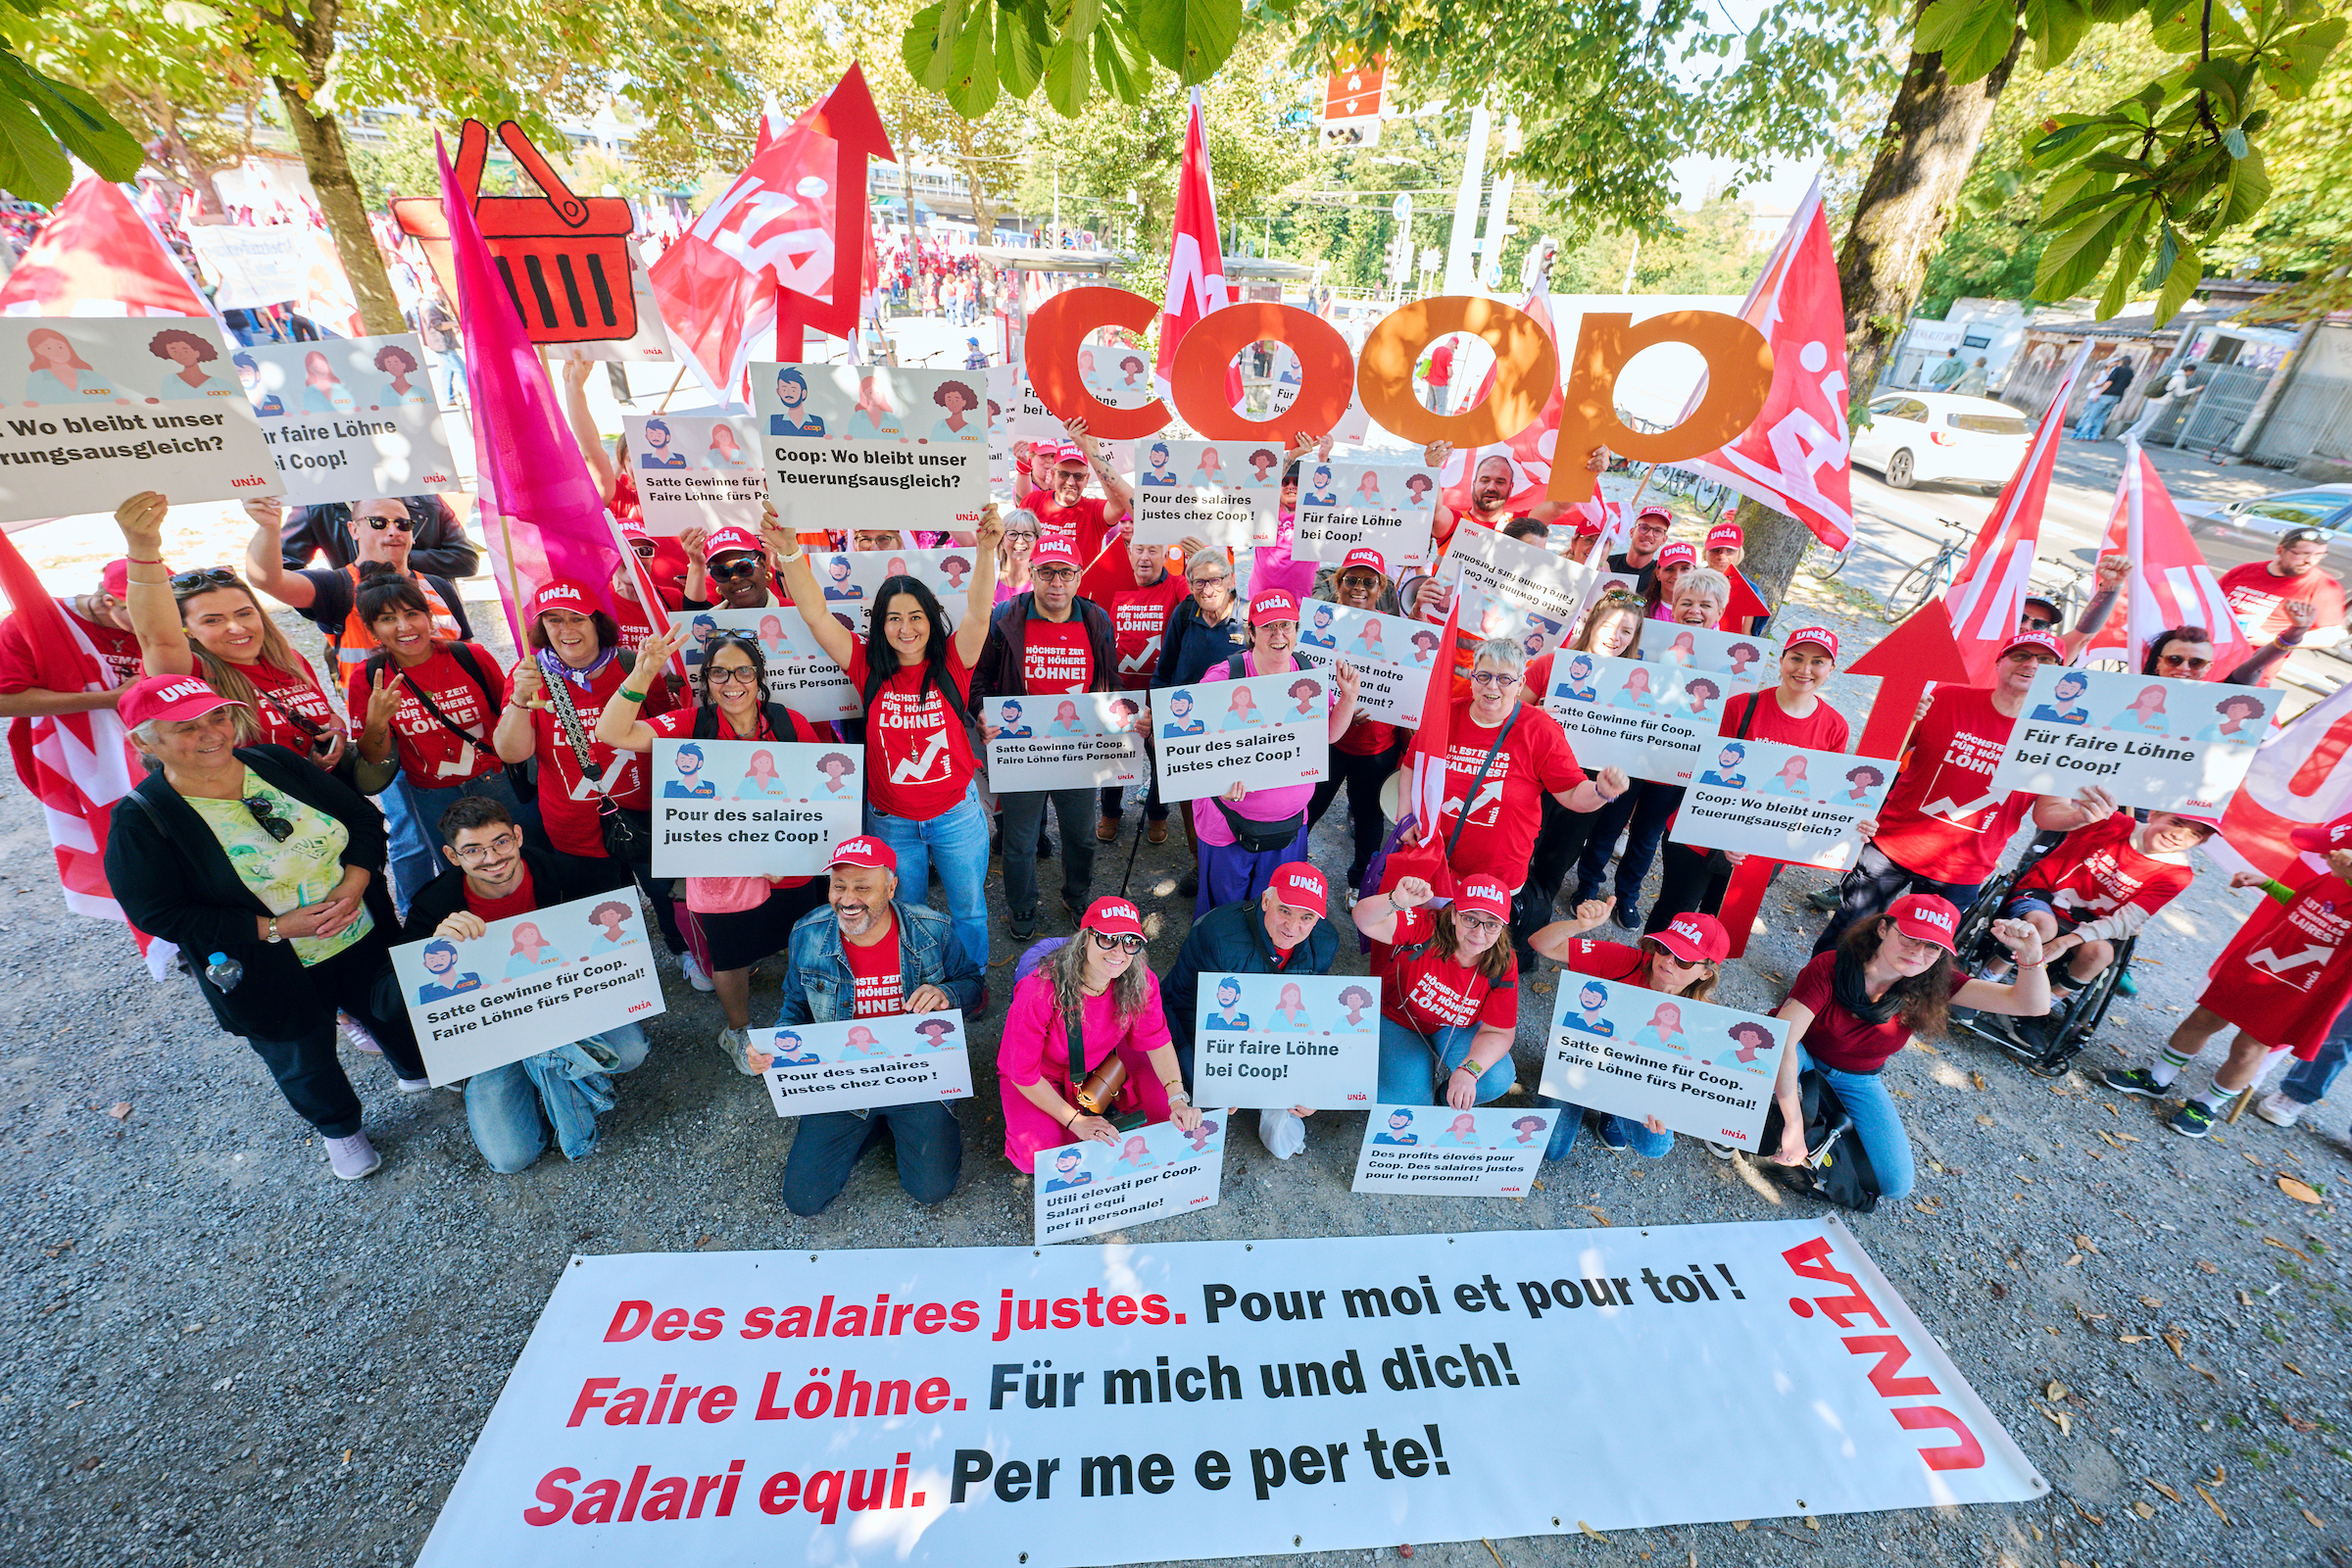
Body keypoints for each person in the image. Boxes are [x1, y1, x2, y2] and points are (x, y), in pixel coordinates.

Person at [103, 674, 425, 1181]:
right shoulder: (142, 820)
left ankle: (416, 1069)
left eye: (218, 716)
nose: (213, 733)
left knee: (390, 1005)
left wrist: (357, 881)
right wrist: (273, 928)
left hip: (359, 929)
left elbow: (361, 819)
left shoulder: (274, 763)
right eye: (186, 727)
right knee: (300, 1051)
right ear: (144, 741)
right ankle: (340, 1129)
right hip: (267, 963)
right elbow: (158, 913)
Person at [773, 507, 1002, 982]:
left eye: (916, 616)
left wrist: (985, 549)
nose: (906, 628)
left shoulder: (953, 663)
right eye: (893, 618)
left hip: (955, 816)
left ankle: (971, 982)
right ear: (880, 625)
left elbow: (980, 611)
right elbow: (815, 614)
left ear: (931, 620)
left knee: (970, 911)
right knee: (907, 915)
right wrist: (791, 551)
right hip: (893, 823)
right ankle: (918, 985)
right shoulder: (867, 668)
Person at [597, 623, 835, 1069]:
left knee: (803, 936)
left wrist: (794, 853)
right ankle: (738, 1031)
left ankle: (811, 1009)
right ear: (705, 681)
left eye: (743, 672)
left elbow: (819, 789)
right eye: (719, 674)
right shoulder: (692, 723)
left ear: (759, 676)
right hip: (720, 870)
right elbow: (613, 733)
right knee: (729, 954)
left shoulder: (787, 722)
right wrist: (642, 672)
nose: (732, 684)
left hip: (787, 862)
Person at [1812, 631, 2118, 956]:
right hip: (1893, 844)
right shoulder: (1947, 699)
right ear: (1999, 663)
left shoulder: (2055, 738)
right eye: (2020, 656)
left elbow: (2046, 812)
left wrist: (2080, 816)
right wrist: (1900, 720)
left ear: (2058, 676)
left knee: (1920, 953)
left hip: (1963, 869)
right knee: (1849, 930)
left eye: (2044, 661)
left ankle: (1868, 1002)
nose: (2031, 664)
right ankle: (1810, 994)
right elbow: (1882, 761)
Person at [403, 797, 650, 1173]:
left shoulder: (565, 872)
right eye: (473, 850)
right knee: (510, 1158)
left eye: (500, 842)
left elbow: (618, 945)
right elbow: (389, 998)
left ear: (517, 836)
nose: (491, 858)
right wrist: (432, 951)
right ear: (453, 857)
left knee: (630, 1051)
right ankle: (548, 1071)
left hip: (567, 1005)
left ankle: (552, 1068)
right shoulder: (434, 906)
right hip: (495, 1036)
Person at [1767, 895, 2054, 1200]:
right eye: (1910, 937)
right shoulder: (1830, 966)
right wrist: (1794, 1125)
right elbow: (1784, 1040)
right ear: (1883, 928)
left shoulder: (1932, 983)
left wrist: (2032, 955)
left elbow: (2029, 1005)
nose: (1918, 952)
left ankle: (1806, 1124)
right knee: (1762, 1052)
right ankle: (1781, 1118)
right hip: (1799, 1054)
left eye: (1932, 946)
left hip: (1855, 1077)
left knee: (1895, 1184)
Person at [486, 579, 694, 986]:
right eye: (553, 620)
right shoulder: (528, 674)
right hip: (572, 821)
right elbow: (512, 752)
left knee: (664, 891)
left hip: (644, 812)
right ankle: (620, 970)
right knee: (602, 905)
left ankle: (681, 948)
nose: (566, 630)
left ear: (597, 622)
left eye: (577, 618)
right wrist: (517, 701)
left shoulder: (631, 664)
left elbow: (669, 735)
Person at [765, 836, 983, 1214]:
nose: (848, 900)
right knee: (803, 1201)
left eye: (863, 887)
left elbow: (974, 985)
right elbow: (795, 1004)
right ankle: (877, 1124)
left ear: (891, 886)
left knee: (931, 1189)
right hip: (842, 1076)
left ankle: (887, 1124)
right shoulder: (807, 933)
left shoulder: (933, 929)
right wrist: (776, 1045)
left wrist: (947, 993)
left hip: (917, 1076)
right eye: (839, 886)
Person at [2106, 826, 2352, 1138]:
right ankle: (2158, 1076)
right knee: (2203, 1018)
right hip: (2260, 961)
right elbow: (2300, 904)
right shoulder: (2330, 877)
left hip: (2298, 987)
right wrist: (2268, 884)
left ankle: (2207, 1105)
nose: (2321, 855)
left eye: (2329, 851)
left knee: (2249, 1048)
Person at [1645, 626, 1853, 934]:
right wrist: (1727, 833)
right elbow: (1707, 775)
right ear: (1782, 660)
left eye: (1818, 662)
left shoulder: (1835, 728)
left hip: (1761, 851)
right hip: (1700, 837)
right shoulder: (1742, 707)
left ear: (1831, 669)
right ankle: (1646, 974)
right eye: (1796, 658)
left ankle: (1695, 981)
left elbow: (1818, 796)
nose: (1805, 669)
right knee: (1674, 915)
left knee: (1718, 926)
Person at [974, 537, 1121, 940]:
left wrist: (1128, 717)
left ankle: (1077, 896)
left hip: (1076, 750)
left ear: (1079, 577)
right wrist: (981, 712)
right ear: (1032, 573)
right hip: (1022, 750)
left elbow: (1110, 682)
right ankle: (1022, 906)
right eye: (1047, 572)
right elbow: (978, 678)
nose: (1056, 582)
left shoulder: (1096, 620)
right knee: (1020, 842)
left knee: (1080, 836)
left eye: (1066, 573)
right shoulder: (1005, 619)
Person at [996, 896, 1203, 1174]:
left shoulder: (1139, 978)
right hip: (1040, 1073)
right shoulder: (1039, 991)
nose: (1119, 952)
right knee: (1039, 1157)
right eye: (1107, 939)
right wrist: (1075, 1122)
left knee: (1167, 1120)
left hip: (1105, 1057)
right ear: (1084, 939)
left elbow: (1155, 1037)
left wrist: (1177, 1097)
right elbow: (1022, 1071)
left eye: (1130, 942)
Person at [348, 571, 515, 908]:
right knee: (465, 875)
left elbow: (509, 717)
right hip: (433, 795)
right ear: (371, 630)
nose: (404, 627)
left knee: (520, 860)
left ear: (428, 616)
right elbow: (372, 756)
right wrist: (377, 720)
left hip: (497, 782)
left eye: (412, 614)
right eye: (387, 619)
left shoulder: (471, 657)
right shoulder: (367, 679)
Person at [1188, 590, 1361, 914]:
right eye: (1268, 627)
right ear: (1251, 632)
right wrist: (1218, 780)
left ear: (1297, 630)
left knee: (1275, 909)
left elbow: (1327, 736)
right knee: (1225, 914)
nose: (1279, 635)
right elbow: (1192, 751)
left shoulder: (1305, 671)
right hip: (1228, 826)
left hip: (1288, 826)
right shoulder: (1224, 677)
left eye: (1287, 625)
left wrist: (1348, 698)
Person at [1429, 636, 1626, 917]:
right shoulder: (1447, 715)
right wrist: (1407, 819)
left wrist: (1601, 791)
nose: (1492, 686)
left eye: (1504, 679)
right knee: (1430, 939)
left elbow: (1571, 793)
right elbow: (1413, 766)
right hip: (1437, 859)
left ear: (1521, 684)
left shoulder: (1540, 730)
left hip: (1498, 873)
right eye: (1483, 676)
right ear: (1472, 678)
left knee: (1479, 944)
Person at [1988, 809, 2212, 1052]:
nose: (2178, 835)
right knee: (2042, 927)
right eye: (2176, 823)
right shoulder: (2112, 823)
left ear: (2200, 842)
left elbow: (2125, 922)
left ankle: (2038, 1008)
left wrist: (2068, 941)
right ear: (2154, 815)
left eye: (2194, 835)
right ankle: (1987, 981)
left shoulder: (2177, 874)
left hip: (2089, 923)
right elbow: (2064, 809)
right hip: (2044, 894)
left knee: (2102, 955)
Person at [1160, 861, 1340, 1158]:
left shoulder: (1325, 941)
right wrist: (1230, 1078)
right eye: (1285, 911)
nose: (1293, 927)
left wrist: (1310, 1079)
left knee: (1305, 1091)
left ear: (1318, 920)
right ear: (1266, 900)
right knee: (1202, 1096)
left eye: (1306, 917)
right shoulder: (1219, 935)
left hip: (1265, 1026)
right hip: (1191, 1017)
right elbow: (1190, 1007)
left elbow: (1313, 1009)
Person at [1528, 906, 1728, 1160]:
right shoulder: (1627, 960)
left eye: (1684, 960)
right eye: (1664, 948)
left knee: (1656, 1145)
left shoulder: (1705, 1017)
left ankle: (1612, 1114)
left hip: (1632, 1083)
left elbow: (1695, 1083)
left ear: (1706, 973)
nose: (1667, 960)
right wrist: (1579, 925)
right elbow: (1540, 944)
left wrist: (1669, 1109)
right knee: (1551, 1151)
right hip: (1583, 1064)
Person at [1513, 591, 1647, 962]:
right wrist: (1534, 714)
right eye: (1608, 626)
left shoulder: (1638, 683)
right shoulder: (1551, 664)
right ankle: (1494, 931)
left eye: (1626, 631)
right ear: (1591, 625)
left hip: (1592, 786)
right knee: (1520, 854)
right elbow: (1513, 711)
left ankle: (1527, 942)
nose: (1615, 637)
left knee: (1556, 864)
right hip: (1537, 777)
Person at [243, 495, 470, 677]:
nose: (393, 531)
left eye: (403, 524)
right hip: (382, 728)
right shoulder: (335, 586)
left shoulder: (438, 586)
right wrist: (268, 527)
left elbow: (470, 656)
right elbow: (266, 579)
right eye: (378, 523)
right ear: (353, 529)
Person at [1355, 871, 1522, 1109]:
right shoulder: (1426, 927)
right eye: (1470, 919)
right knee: (1404, 1104)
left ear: (1502, 927)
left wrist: (1468, 1072)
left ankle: (1446, 1101)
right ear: (1454, 914)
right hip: (1399, 1019)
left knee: (1495, 1079)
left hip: (1453, 1028)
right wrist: (1395, 901)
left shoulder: (1503, 961)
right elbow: (1364, 920)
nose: (1478, 933)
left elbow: (1499, 1032)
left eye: (1491, 924)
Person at [1305, 548, 1409, 895]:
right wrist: (1340, 708)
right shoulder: (1320, 626)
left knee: (1368, 818)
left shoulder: (1398, 633)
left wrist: (1380, 708)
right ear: (1339, 583)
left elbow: (1405, 690)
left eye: (1369, 581)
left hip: (1376, 747)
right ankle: (1287, 867)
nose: (1359, 587)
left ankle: (1360, 882)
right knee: (1308, 807)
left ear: (1381, 587)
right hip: (1329, 741)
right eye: (1351, 579)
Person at [1155, 545, 1251, 896]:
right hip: (1186, 726)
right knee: (1191, 798)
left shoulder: (1247, 619)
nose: (1207, 589)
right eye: (1199, 582)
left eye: (1215, 580)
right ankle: (1200, 862)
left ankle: (1233, 862)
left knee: (1232, 795)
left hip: (1234, 728)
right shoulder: (1184, 614)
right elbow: (1164, 669)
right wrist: (1157, 713)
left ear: (1230, 580)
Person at [1099, 532, 1187, 845]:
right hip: (1119, 691)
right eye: (1139, 550)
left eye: (1153, 549)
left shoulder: (1176, 586)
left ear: (1165, 554)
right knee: (1115, 753)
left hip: (1158, 695)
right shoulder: (1115, 582)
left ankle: (1158, 814)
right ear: (1129, 552)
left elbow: (1194, 610)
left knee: (1158, 755)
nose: (1145, 557)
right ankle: (1110, 811)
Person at [2218, 527, 2347, 682]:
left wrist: (2273, 640)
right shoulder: (2244, 571)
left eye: (2319, 555)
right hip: (2208, 659)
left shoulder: (2323, 586)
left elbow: (2329, 637)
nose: (2310, 561)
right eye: (2303, 554)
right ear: (2280, 550)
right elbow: (2206, 602)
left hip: (2250, 672)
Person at [276, 495, 479, 580]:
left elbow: (466, 560)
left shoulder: (427, 500)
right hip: (358, 623)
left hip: (431, 618)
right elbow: (284, 565)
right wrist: (330, 592)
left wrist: (397, 558)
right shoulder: (319, 505)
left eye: (402, 524)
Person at [2069, 357, 2135, 441]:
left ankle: (2082, 435)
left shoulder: (2118, 370)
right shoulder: (2130, 372)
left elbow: (2109, 382)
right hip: (2117, 396)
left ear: (2122, 362)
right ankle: (2094, 436)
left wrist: (2099, 394)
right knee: (2102, 417)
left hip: (2107, 394)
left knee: (2092, 416)